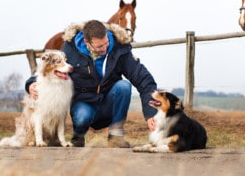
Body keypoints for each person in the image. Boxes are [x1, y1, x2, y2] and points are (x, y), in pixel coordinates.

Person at [25, 20, 158, 148]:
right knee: (82, 117)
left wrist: (151, 112)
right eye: (99, 46)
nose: (105, 48)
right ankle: (78, 136)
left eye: (106, 43)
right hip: (84, 102)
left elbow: (144, 79)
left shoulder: (119, 48)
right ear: (86, 42)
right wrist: (31, 84)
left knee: (123, 86)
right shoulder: (70, 48)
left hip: (108, 101)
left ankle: (116, 136)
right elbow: (49, 67)